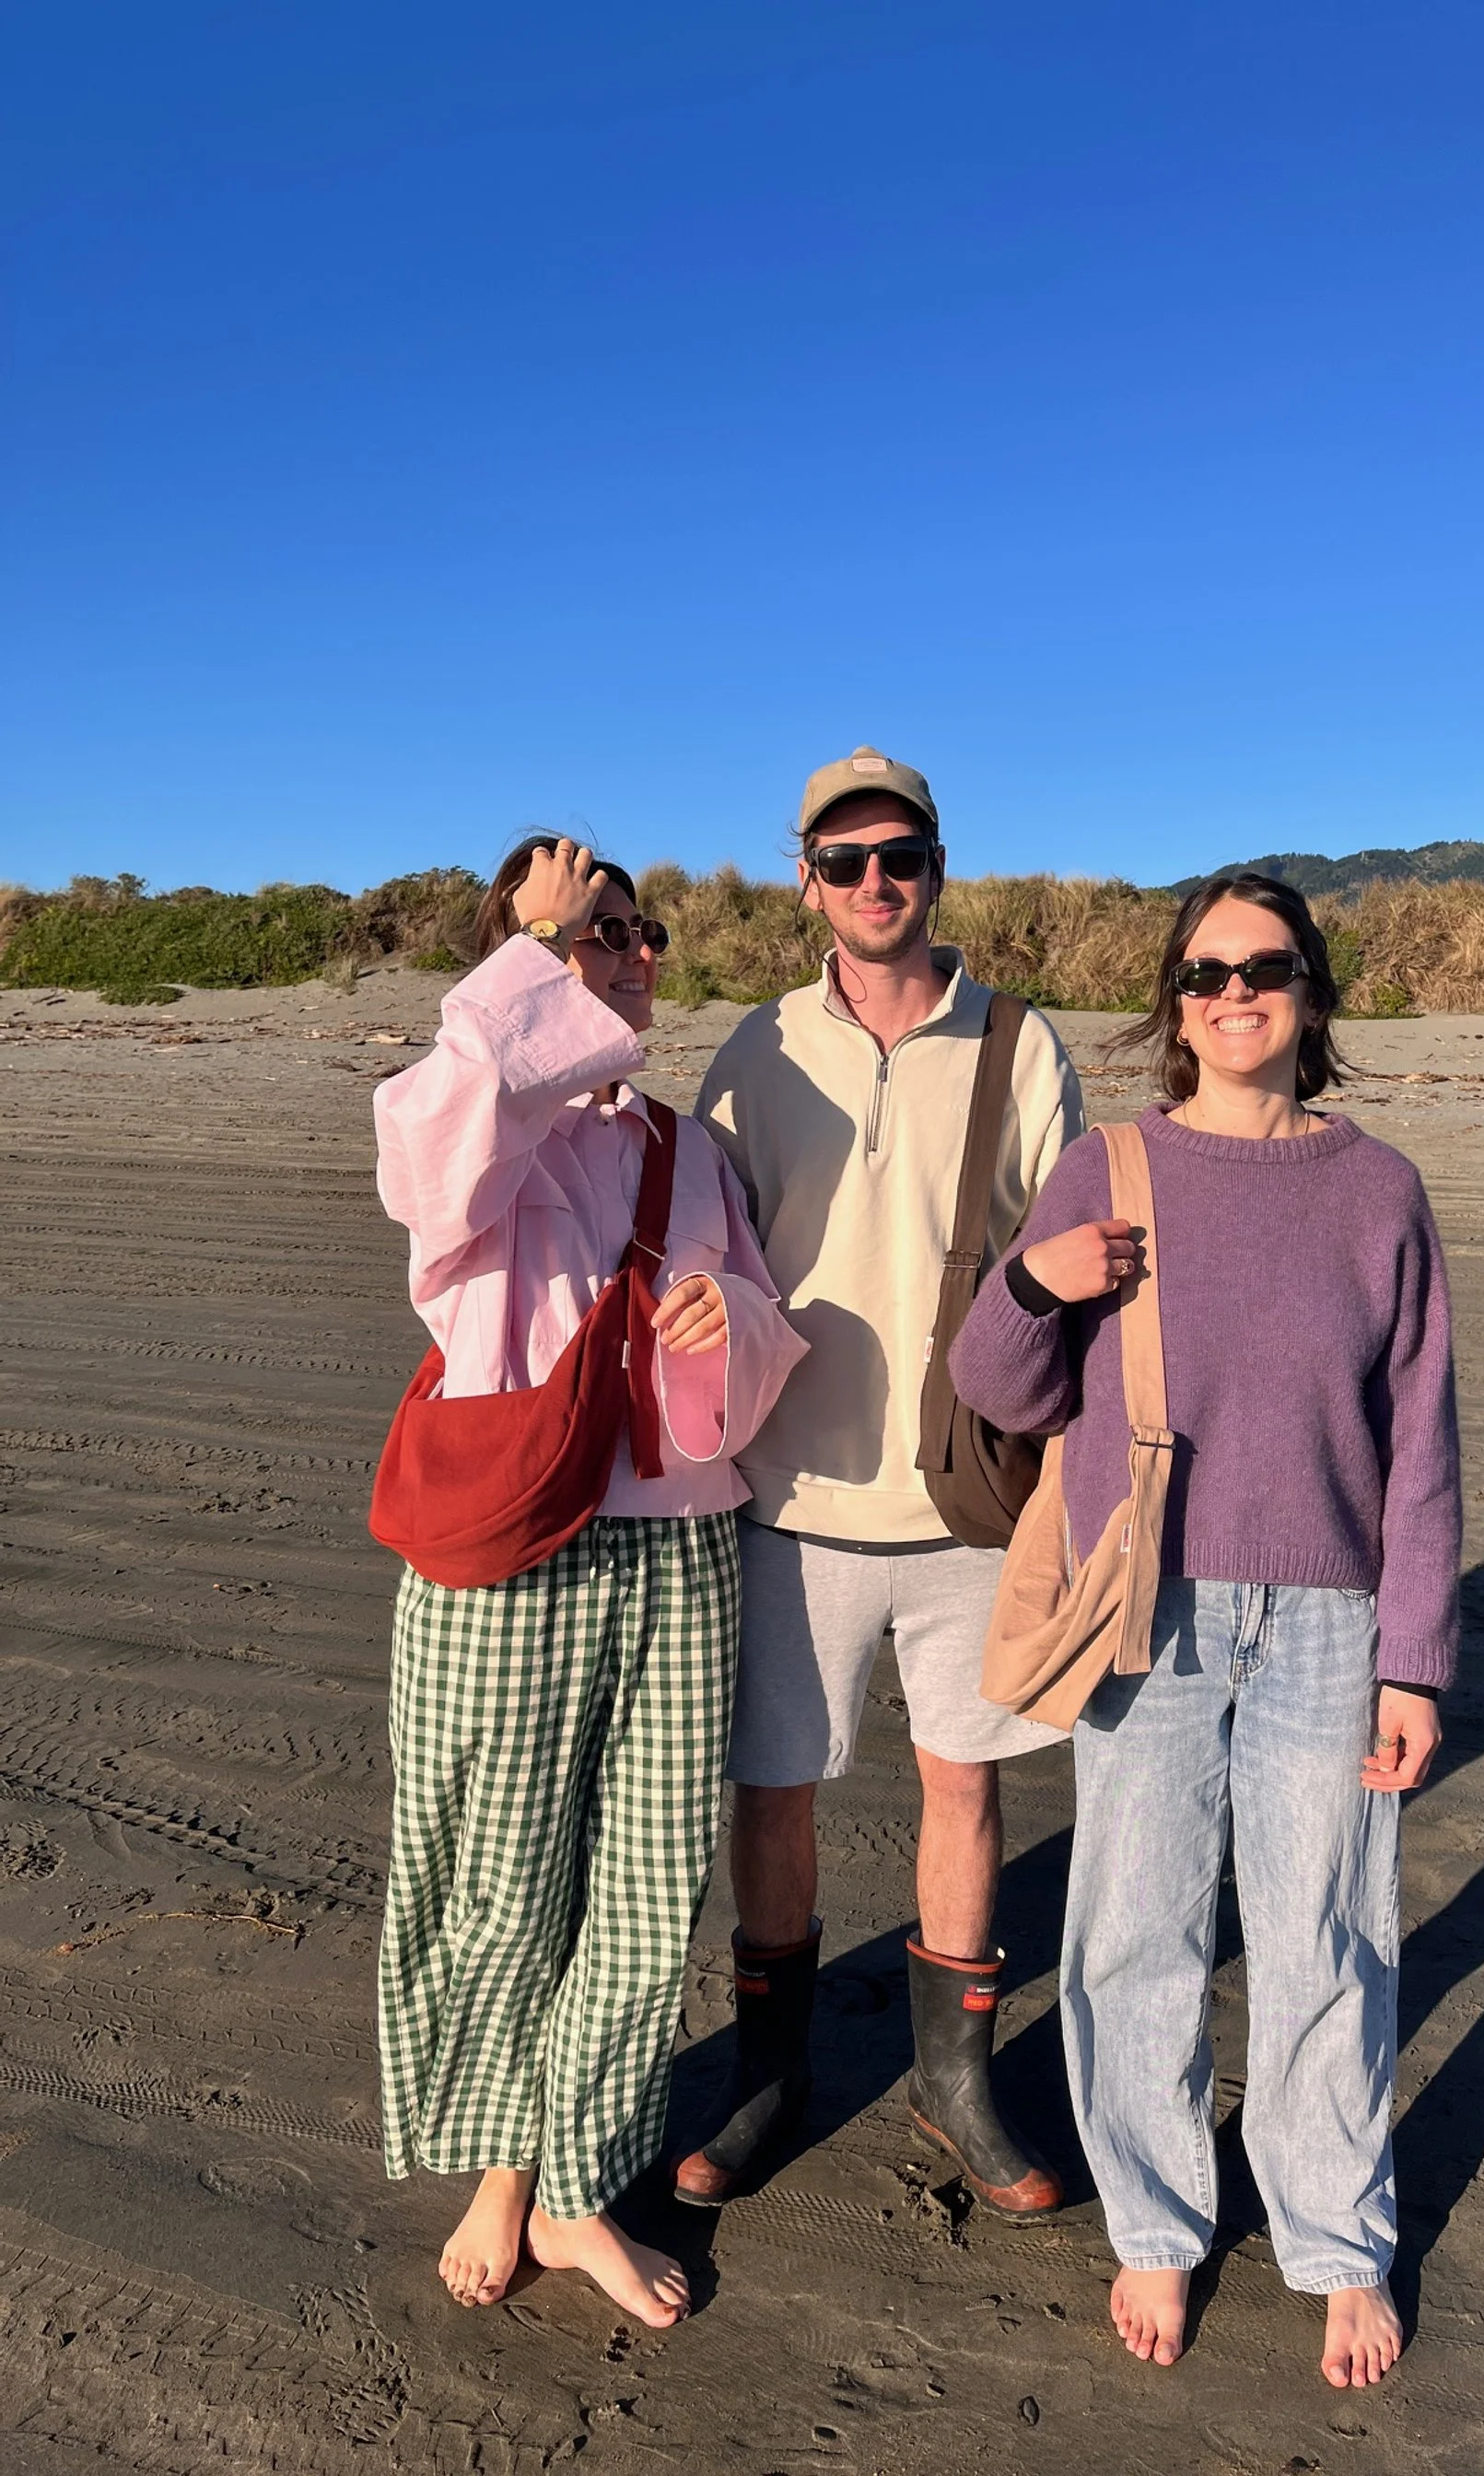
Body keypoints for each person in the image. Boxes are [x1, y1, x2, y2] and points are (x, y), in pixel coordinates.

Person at [948, 870, 1460, 2385]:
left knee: (1328, 1936)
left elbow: (1421, 1441)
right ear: (1174, 1004)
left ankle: (1336, 2241)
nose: (1236, 993)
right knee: (1136, 1932)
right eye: (1207, 972)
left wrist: (1413, 1659)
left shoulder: (1382, 1191)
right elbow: (998, 1386)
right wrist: (1035, 1282)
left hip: (1331, 1615)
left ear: (1314, 994)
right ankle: (1158, 2225)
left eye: (1269, 967)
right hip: (1145, 1606)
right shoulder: (1108, 1168)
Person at [373, 834, 806, 2329]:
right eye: (588, 931)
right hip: (514, 1549)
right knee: (501, 1882)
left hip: (682, 1546)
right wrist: (527, 946)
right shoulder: (469, 1116)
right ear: (521, 960)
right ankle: (501, 2168)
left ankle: (572, 2197)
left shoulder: (683, 1150)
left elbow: (765, 1348)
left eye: (638, 931)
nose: (620, 951)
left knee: (639, 1893)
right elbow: (425, 1165)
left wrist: (727, 1323)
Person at [677, 746, 1086, 2215]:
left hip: (971, 1501)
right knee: (772, 1793)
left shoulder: (1021, 1045)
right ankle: (770, 2072)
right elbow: (700, 1246)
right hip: (789, 1503)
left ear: (936, 865)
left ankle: (953, 2083)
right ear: (804, 882)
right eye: (840, 861)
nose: (871, 883)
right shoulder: (758, 1051)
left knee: (962, 1785)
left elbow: (1078, 1273)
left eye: (895, 856)